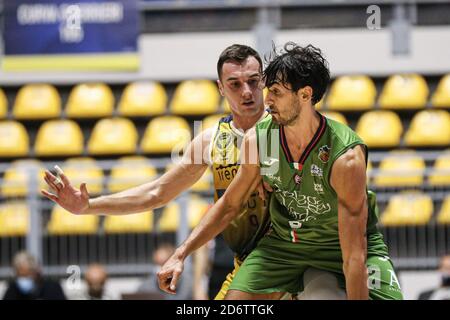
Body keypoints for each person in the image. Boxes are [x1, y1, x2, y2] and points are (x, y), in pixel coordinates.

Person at [41, 44, 344, 300]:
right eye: (235, 84)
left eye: (253, 81)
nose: (247, 92)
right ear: (220, 88)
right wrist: (88, 206)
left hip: (304, 264)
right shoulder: (211, 141)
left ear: (264, 82)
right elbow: (157, 193)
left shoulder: (293, 127)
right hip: (248, 265)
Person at [157, 42, 403, 300]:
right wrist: (180, 253)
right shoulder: (259, 139)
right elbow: (230, 204)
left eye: (275, 92)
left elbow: (354, 256)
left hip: (337, 245)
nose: (267, 100)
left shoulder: (346, 157)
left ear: (305, 95)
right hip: (288, 244)